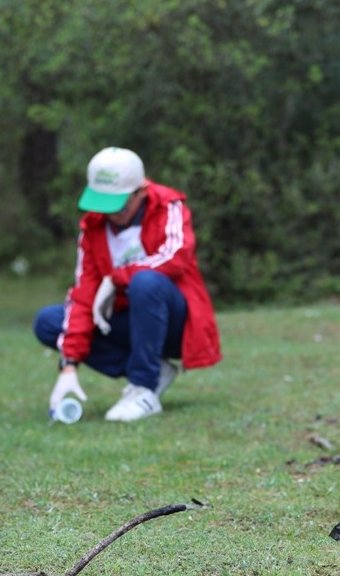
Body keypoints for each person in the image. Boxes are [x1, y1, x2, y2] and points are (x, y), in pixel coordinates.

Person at [34, 146, 221, 421]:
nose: (113, 213)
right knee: (48, 321)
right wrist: (69, 365)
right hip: (127, 321)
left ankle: (145, 388)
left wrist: (116, 278)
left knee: (145, 282)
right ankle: (154, 370)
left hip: (175, 324)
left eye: (120, 204)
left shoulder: (169, 207)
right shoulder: (92, 228)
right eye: (105, 203)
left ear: (141, 191)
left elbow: (176, 257)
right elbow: (84, 295)